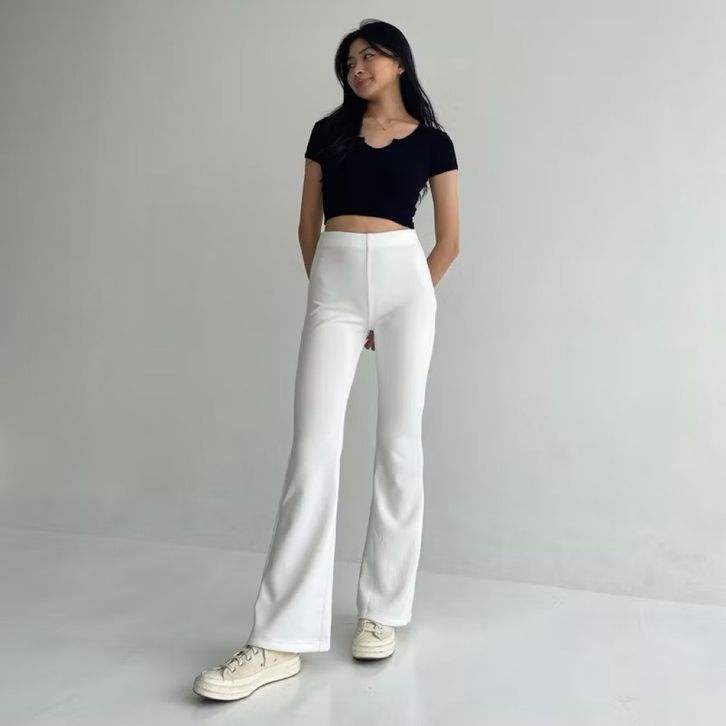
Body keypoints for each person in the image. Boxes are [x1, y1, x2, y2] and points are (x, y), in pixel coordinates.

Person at [192, 18, 460, 702]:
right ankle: (279, 638)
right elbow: (305, 225)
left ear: (399, 62)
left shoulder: (433, 142)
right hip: (334, 286)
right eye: (348, 61)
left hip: (406, 285)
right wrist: (335, 297)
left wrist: (405, 302)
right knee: (313, 451)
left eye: (369, 55)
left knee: (399, 445)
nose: (357, 67)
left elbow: (449, 240)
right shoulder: (328, 134)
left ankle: (382, 612)